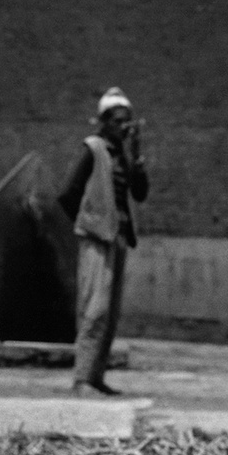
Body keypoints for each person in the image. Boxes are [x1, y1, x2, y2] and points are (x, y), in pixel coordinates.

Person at [56, 87, 149, 397]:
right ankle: (82, 379)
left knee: (109, 314)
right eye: (120, 121)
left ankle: (96, 377)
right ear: (105, 122)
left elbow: (140, 192)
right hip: (98, 239)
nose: (125, 126)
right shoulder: (92, 149)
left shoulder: (122, 153)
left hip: (119, 238)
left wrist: (136, 156)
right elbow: (67, 194)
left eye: (129, 121)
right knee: (94, 310)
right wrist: (88, 224)